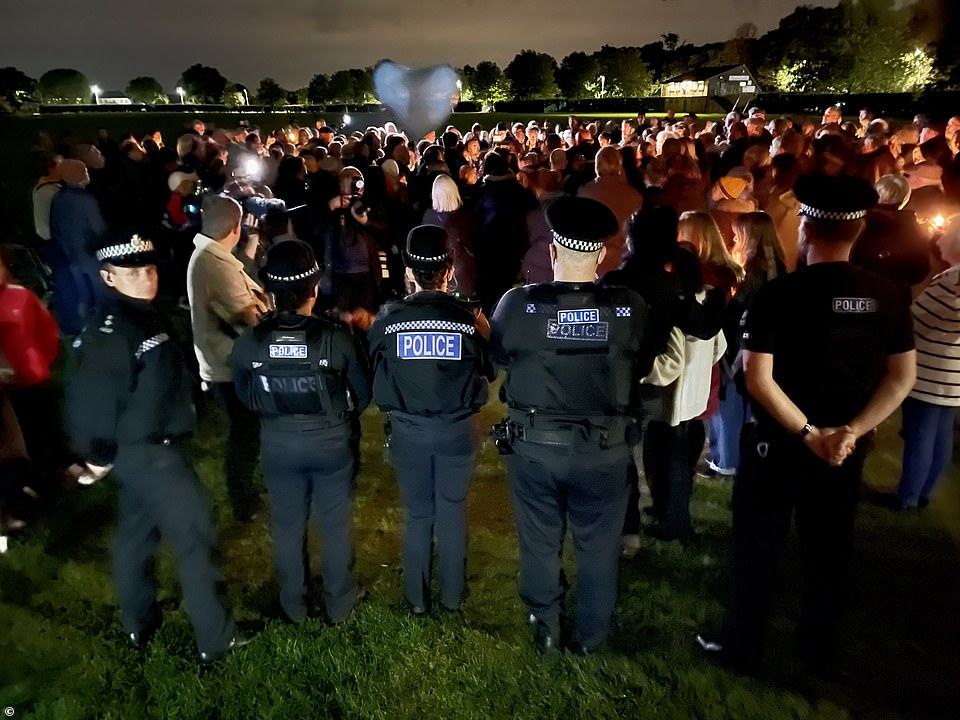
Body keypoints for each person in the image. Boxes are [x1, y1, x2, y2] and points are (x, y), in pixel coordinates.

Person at [697, 174, 916, 672]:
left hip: (778, 445)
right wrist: (850, 432)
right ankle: (818, 650)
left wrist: (807, 434)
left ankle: (741, 646)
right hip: (842, 448)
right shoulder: (885, 295)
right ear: (858, 231)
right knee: (830, 549)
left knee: (757, 547)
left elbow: (758, 378)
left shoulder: (780, 295)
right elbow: (902, 378)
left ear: (806, 229)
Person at [66, 230, 253, 663]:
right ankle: (216, 636)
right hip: (153, 453)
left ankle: (140, 620)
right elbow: (92, 401)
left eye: (148, 269)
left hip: (146, 451)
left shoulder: (142, 315)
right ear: (108, 278)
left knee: (136, 535)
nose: (145, 278)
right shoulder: (115, 330)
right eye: (131, 273)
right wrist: (96, 454)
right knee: (195, 538)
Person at [490, 196, 652, 655]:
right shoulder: (629, 306)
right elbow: (639, 359)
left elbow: (501, 357)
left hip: (535, 451)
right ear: (601, 254)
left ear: (554, 251)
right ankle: (591, 639)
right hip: (604, 452)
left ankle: (545, 627)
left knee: (540, 543)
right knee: (599, 550)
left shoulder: (516, 304)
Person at [231, 240, 371, 624]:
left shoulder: (250, 342)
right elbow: (363, 393)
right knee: (335, 523)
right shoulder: (335, 337)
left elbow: (245, 393)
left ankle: (294, 604)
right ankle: (339, 601)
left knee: (288, 524)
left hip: (278, 445)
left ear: (271, 293)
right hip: (330, 445)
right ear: (314, 288)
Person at [367, 225, 494, 615]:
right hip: (457, 430)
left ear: (408, 268)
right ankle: (453, 598)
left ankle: (417, 600)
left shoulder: (388, 319)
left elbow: (374, 364)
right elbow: (488, 364)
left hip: (408, 432)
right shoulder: (471, 317)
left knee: (418, 514)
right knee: (451, 511)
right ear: (449, 266)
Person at [186, 194, 269, 520]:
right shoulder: (214, 265)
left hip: (225, 361)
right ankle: (243, 501)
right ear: (235, 228)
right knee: (245, 434)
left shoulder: (210, 256)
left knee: (247, 431)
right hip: (228, 367)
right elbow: (249, 316)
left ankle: (246, 491)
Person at [885, 217, 960, 509]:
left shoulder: (952, 282)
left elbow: (913, 320)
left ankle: (907, 496)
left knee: (920, 434)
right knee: (941, 434)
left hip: (932, 370)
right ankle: (925, 491)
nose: (940, 241)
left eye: (947, 237)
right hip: (952, 373)